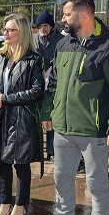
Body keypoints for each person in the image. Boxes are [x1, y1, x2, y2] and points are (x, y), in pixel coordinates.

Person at [38, 0, 109, 215]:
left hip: (94, 132)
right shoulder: (64, 44)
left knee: (97, 183)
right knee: (61, 177)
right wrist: (47, 112)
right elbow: (53, 82)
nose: (62, 19)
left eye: (66, 14)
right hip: (63, 129)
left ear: (83, 15)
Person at [0, 14, 44, 215]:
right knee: (3, 164)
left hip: (22, 121)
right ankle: (4, 205)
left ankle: (20, 206)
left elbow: (37, 91)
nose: (6, 33)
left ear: (22, 33)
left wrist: (5, 99)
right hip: (0, 120)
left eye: (11, 30)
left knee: (21, 165)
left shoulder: (33, 60)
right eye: (5, 29)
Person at [33, 9, 64, 161]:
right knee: (36, 118)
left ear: (51, 26)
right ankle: (37, 149)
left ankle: (51, 151)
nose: (42, 29)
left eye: (45, 25)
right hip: (36, 84)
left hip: (54, 84)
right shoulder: (33, 40)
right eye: (40, 26)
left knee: (50, 117)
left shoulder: (61, 40)